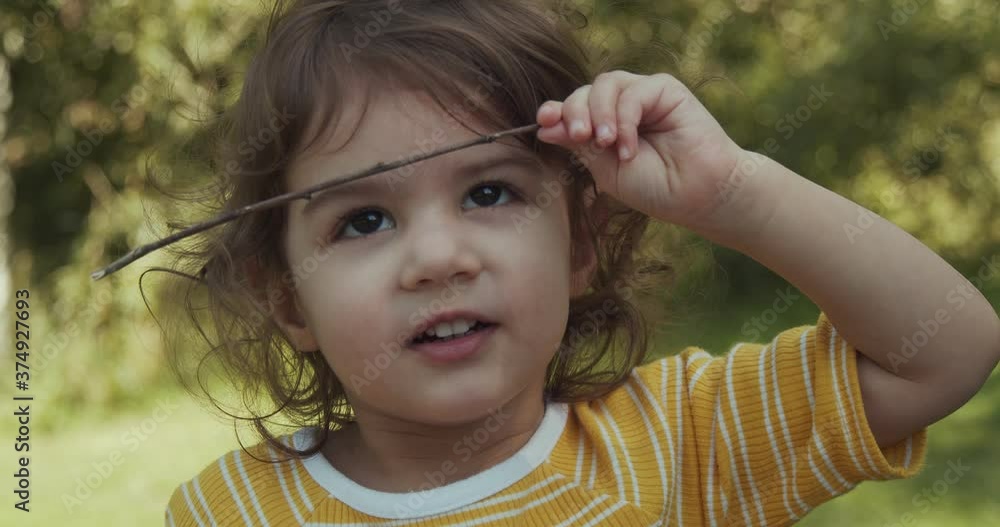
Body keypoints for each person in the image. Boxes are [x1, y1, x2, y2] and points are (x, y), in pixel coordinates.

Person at [161, 1, 1000, 525]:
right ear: (289, 302)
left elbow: (944, 349)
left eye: (488, 193)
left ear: (582, 242)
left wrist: (733, 194)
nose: (439, 257)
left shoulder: (683, 439)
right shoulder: (230, 512)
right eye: (365, 219)